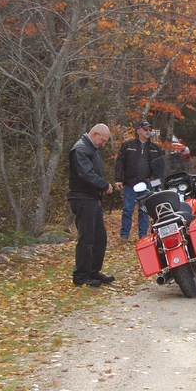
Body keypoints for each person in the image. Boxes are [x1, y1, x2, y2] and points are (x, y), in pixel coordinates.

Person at [68, 123, 115, 287]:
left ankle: (93, 272)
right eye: (103, 140)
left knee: (99, 237)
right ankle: (81, 275)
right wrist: (104, 185)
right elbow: (86, 174)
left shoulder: (91, 149)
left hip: (92, 198)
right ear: (95, 134)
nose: (103, 144)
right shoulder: (80, 149)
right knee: (86, 237)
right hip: (82, 198)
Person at [114, 120, 163, 240]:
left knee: (144, 210)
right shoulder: (127, 146)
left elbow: (160, 168)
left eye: (150, 130)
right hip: (130, 182)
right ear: (138, 130)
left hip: (146, 184)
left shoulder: (155, 148)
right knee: (127, 209)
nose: (148, 132)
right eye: (145, 129)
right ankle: (124, 235)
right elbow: (120, 163)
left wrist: (156, 183)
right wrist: (118, 179)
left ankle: (143, 236)